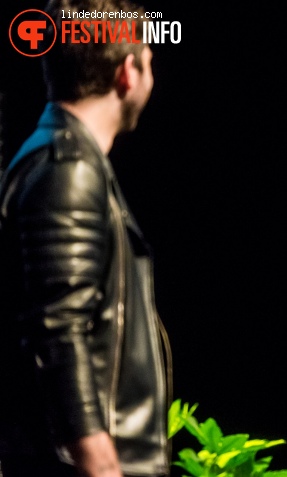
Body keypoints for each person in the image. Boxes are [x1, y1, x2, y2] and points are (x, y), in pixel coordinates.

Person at [0, 1, 171, 476]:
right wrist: (100, 461)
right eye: (150, 60)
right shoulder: (70, 167)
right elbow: (58, 330)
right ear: (127, 73)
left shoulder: (64, 157)